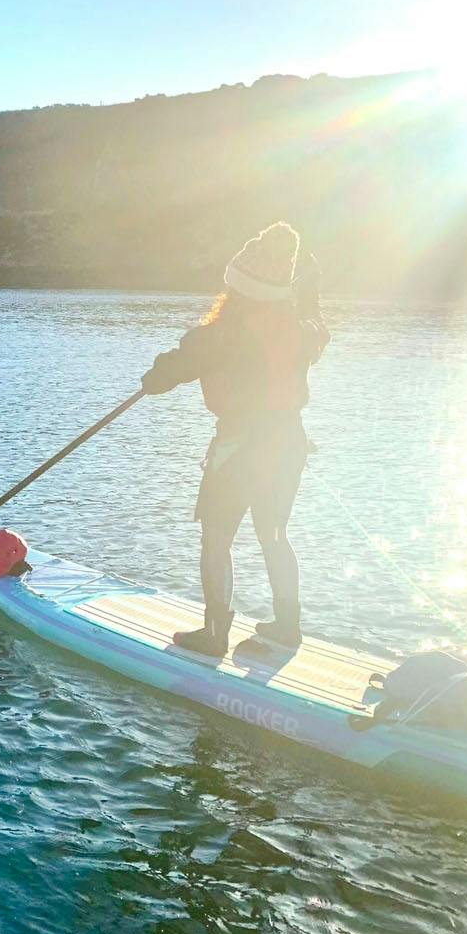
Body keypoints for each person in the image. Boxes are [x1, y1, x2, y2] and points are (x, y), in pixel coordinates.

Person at [140, 222, 328, 655]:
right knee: (274, 534)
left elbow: (171, 371)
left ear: (237, 288)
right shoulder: (301, 331)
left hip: (240, 449)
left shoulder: (219, 335)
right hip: (288, 446)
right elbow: (319, 326)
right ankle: (286, 626)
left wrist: (155, 376)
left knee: (217, 537)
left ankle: (214, 634)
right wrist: (310, 293)